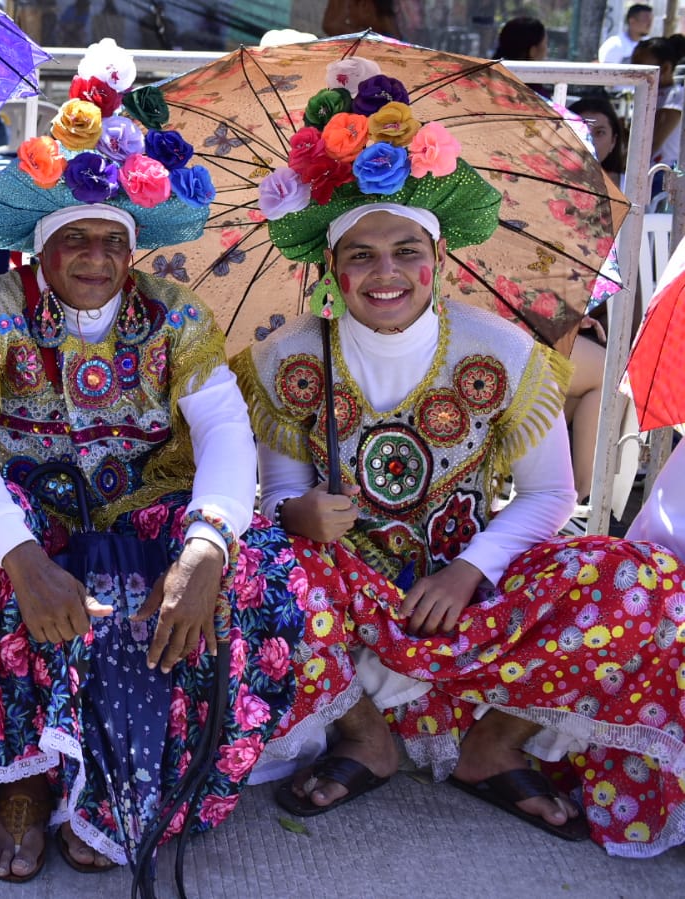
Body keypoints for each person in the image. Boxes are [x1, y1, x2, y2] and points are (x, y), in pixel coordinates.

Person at [237, 61, 685, 856]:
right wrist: (292, 513)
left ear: (437, 259)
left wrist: (468, 568)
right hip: (347, 598)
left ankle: (493, 745)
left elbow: (551, 495)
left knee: (639, 579)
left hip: (470, 597)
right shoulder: (290, 356)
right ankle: (364, 731)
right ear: (331, 270)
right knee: (253, 563)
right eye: (361, 255)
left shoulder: (504, 348)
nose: (384, 273)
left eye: (405, 250)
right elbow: (276, 493)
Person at [0, 42, 306, 880]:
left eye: (111, 243)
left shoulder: (175, 314)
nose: (95, 258)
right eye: (74, 241)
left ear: (133, 251)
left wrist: (206, 545)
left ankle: (134, 787)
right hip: (34, 511)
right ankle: (17, 787)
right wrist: (17, 552)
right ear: (38, 251)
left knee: (246, 569)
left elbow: (227, 431)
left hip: (145, 505)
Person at [631, 35, 685, 172]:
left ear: (666, 68)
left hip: (661, 173)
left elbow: (653, 142)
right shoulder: (641, 93)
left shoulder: (676, 96)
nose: (633, 71)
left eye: (640, 65)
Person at [321, 0, 402, 39]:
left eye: (349, 7)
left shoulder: (373, 44)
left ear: (364, 5)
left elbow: (332, 25)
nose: (349, 15)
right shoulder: (400, 42)